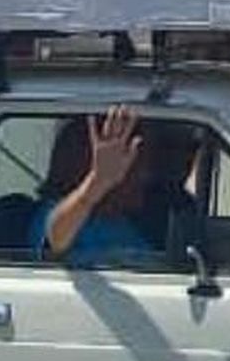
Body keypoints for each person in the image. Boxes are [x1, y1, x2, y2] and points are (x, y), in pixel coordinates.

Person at [34, 106, 201, 266]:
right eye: (134, 164)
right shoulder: (58, 215)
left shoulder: (124, 225)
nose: (146, 175)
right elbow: (55, 240)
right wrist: (98, 181)